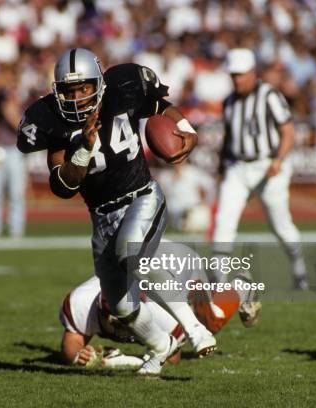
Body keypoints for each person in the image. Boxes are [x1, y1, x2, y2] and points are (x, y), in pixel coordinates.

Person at [17, 48, 215, 375]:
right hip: (101, 218)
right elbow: (63, 186)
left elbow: (159, 105)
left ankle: (194, 327)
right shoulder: (51, 121)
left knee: (132, 254)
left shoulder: (122, 88)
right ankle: (160, 346)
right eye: (69, 90)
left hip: (141, 196)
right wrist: (83, 149)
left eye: (84, 88)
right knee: (121, 305)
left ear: (99, 84)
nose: (78, 97)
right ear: (57, 91)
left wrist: (185, 127)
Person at [212, 48, 308, 296]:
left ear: (252, 73)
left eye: (240, 75)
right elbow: (229, 138)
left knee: (280, 224)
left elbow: (287, 130)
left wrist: (278, 159)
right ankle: (218, 281)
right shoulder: (229, 101)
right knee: (224, 220)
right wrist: (221, 168)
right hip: (238, 166)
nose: (236, 80)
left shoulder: (269, 96)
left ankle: (300, 270)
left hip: (268, 165)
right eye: (232, 75)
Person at [59, 274, 243, 368]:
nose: (123, 328)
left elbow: (172, 357)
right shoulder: (82, 302)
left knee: (211, 323)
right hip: (135, 273)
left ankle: (243, 286)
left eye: (128, 319)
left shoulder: (159, 310)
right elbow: (71, 343)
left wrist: (122, 361)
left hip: (170, 275)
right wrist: (80, 356)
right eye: (117, 321)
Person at [0, 87, 26, 239]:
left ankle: (16, 229)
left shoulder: (20, 109)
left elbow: (19, 127)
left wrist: (9, 112)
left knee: (16, 193)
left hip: (15, 151)